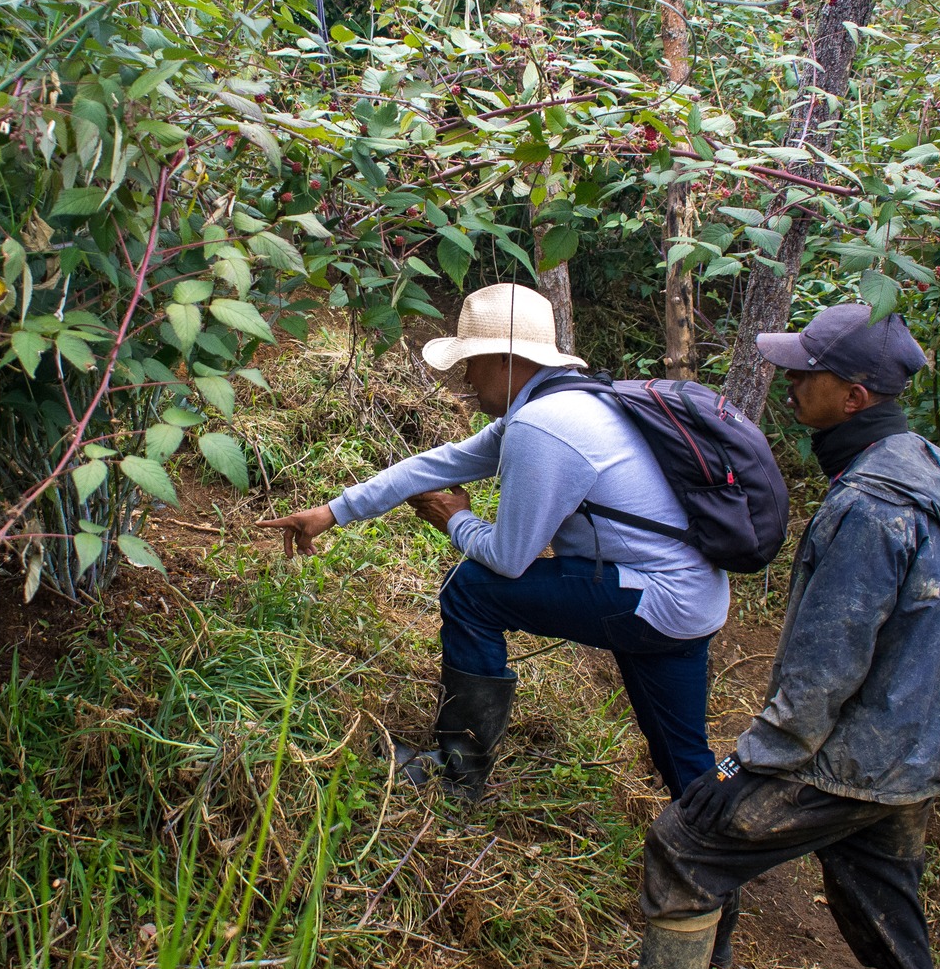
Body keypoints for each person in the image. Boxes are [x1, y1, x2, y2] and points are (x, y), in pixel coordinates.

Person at [564, 303, 940, 969]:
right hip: (914, 752)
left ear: (855, 396)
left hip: (847, 759)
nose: (791, 382)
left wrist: (743, 763)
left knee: (685, 841)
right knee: (884, 900)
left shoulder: (870, 505)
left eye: (808, 372)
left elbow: (825, 669)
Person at [255, 282, 729, 803]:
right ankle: (712, 836)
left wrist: (456, 519)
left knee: (471, 590)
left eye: (470, 362)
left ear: (505, 359)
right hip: (694, 599)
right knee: (684, 757)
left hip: (654, 597)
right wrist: (333, 511)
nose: (464, 377)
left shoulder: (542, 426)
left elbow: (508, 559)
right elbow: (438, 465)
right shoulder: (573, 401)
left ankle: (458, 774)